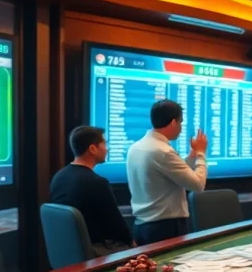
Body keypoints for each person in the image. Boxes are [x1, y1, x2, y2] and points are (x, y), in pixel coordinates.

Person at [126, 99, 208, 245]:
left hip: (143, 227)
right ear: (173, 123)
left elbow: (173, 173)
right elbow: (198, 185)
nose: (181, 128)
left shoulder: (136, 147)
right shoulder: (163, 151)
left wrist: (192, 156)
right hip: (165, 229)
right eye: (181, 122)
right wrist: (201, 154)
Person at [49, 126, 133, 256]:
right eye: (104, 144)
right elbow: (116, 224)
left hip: (67, 251)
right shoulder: (97, 182)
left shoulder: (59, 177)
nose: (107, 149)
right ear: (93, 148)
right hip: (98, 251)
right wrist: (132, 243)